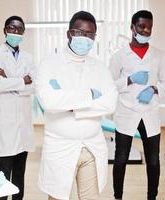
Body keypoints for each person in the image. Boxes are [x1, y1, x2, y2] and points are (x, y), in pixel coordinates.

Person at [36, 11, 117, 200]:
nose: (85, 38)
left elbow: (110, 103)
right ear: (69, 34)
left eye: (90, 35)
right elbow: (49, 102)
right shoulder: (49, 64)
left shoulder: (100, 68)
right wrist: (89, 95)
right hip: (60, 147)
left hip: (92, 146)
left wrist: (70, 105)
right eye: (80, 33)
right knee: (57, 197)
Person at [109, 10, 165, 200]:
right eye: (141, 26)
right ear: (132, 27)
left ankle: (152, 197)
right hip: (127, 111)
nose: (146, 31)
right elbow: (110, 84)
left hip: (150, 112)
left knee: (153, 160)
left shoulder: (158, 55)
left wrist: (153, 89)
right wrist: (129, 80)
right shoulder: (119, 55)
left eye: (149, 27)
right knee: (121, 159)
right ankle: (117, 196)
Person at [0, 15, 36, 200]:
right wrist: (22, 80)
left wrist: (9, 79)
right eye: (11, 28)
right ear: (5, 30)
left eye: (19, 29)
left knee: (20, 170)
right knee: (4, 168)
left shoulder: (28, 57)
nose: (15, 32)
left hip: (23, 122)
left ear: (23, 33)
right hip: (6, 121)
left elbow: (33, 86)